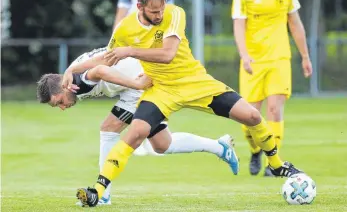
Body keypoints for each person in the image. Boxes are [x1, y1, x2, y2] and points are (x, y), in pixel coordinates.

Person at [75, 0, 303, 207]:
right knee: (137, 133)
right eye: (154, 11)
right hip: (161, 90)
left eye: (161, 8)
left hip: (195, 82)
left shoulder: (175, 13)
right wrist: (71, 70)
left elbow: (168, 54)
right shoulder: (125, 28)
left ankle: (276, 164)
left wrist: (130, 51)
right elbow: (107, 57)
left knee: (252, 116)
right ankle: (98, 191)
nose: (159, 14)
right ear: (140, 6)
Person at [37, 47, 239, 206]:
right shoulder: (71, 76)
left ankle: (103, 195)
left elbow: (100, 70)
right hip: (135, 83)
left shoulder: (75, 82)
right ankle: (220, 147)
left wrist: (137, 85)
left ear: (63, 88)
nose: (62, 107)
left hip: (140, 82)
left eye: (59, 102)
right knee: (162, 144)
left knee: (108, 128)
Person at [231, 0, 312, 176]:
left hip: (279, 58)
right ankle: (255, 151)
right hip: (253, 61)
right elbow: (239, 26)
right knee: (249, 116)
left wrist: (305, 56)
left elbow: (296, 25)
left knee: (275, 109)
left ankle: (273, 163)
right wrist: (244, 55)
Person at [113, 0, 174, 155]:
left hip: (154, 47)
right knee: (134, 91)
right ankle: (137, 138)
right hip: (132, 47)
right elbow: (120, 18)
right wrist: (116, 46)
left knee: (155, 92)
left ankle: (153, 137)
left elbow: (170, 19)